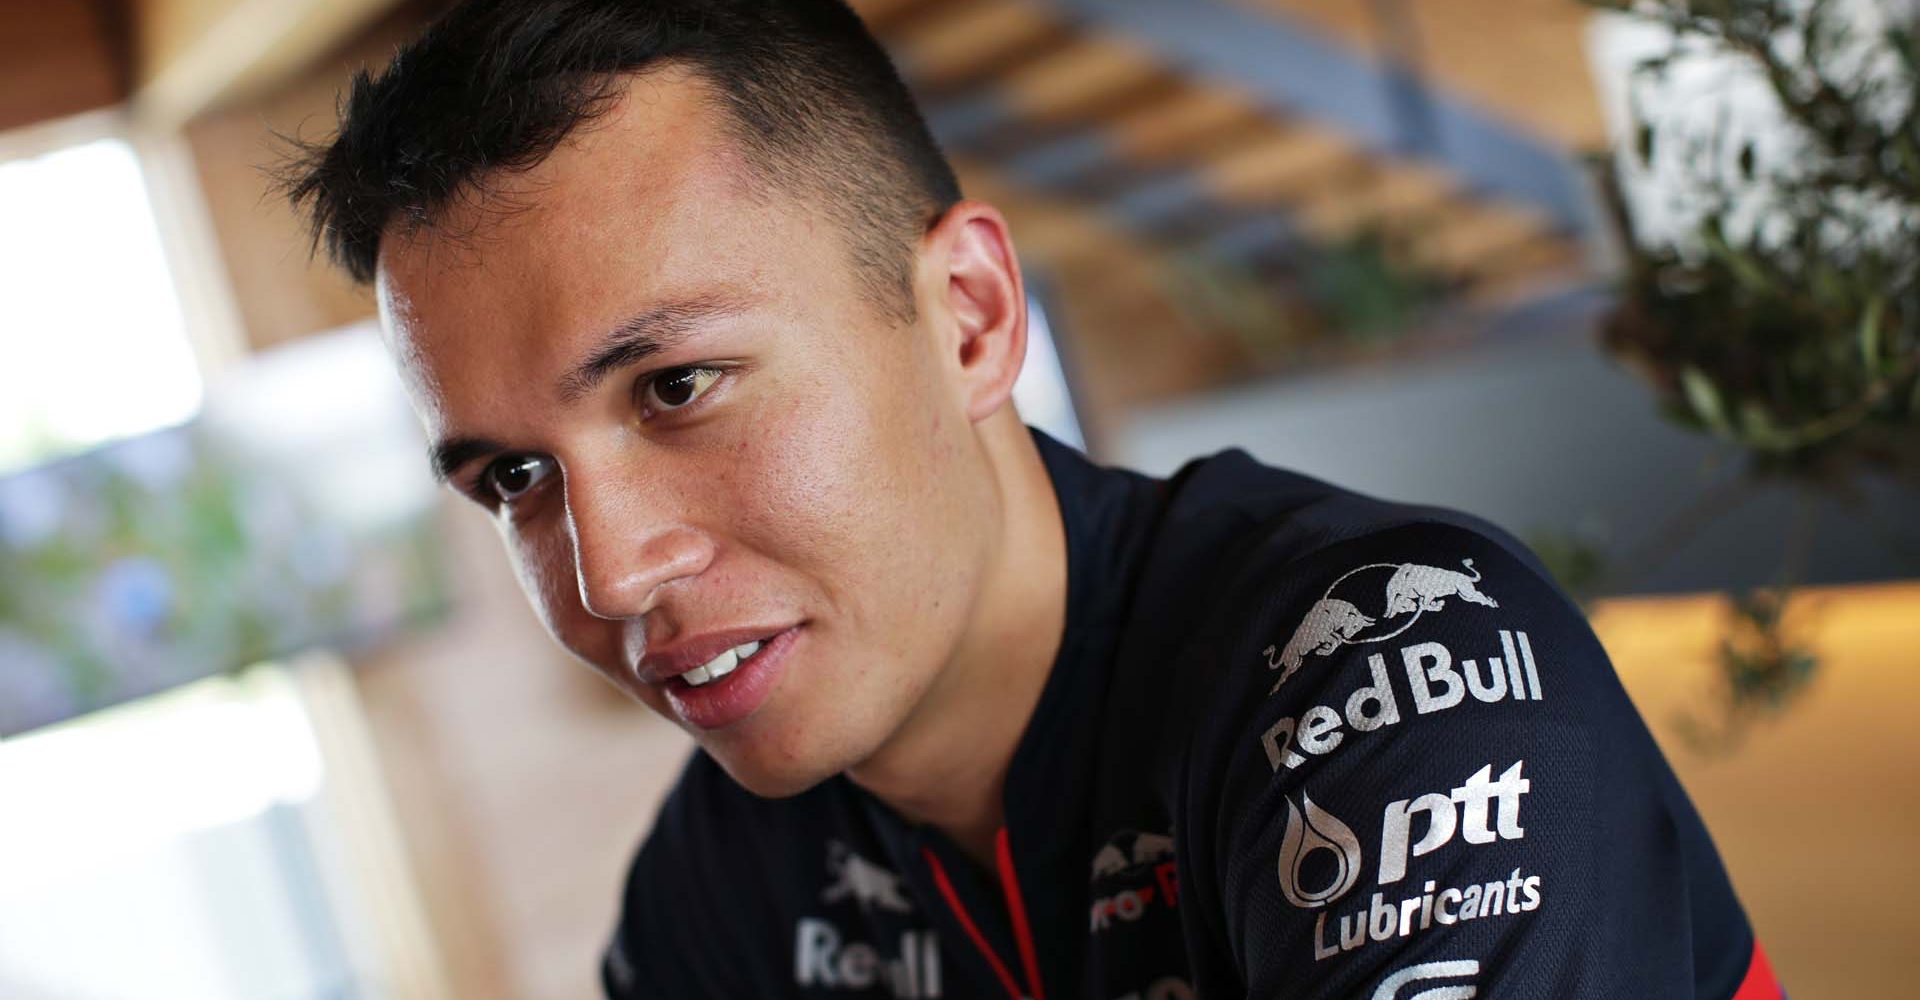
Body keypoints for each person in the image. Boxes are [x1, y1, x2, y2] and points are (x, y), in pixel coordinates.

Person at [283, 1, 1784, 997]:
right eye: (516, 480)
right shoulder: (718, 901)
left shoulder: (1395, 669)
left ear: (972, 320)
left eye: (678, 386)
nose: (609, 574)